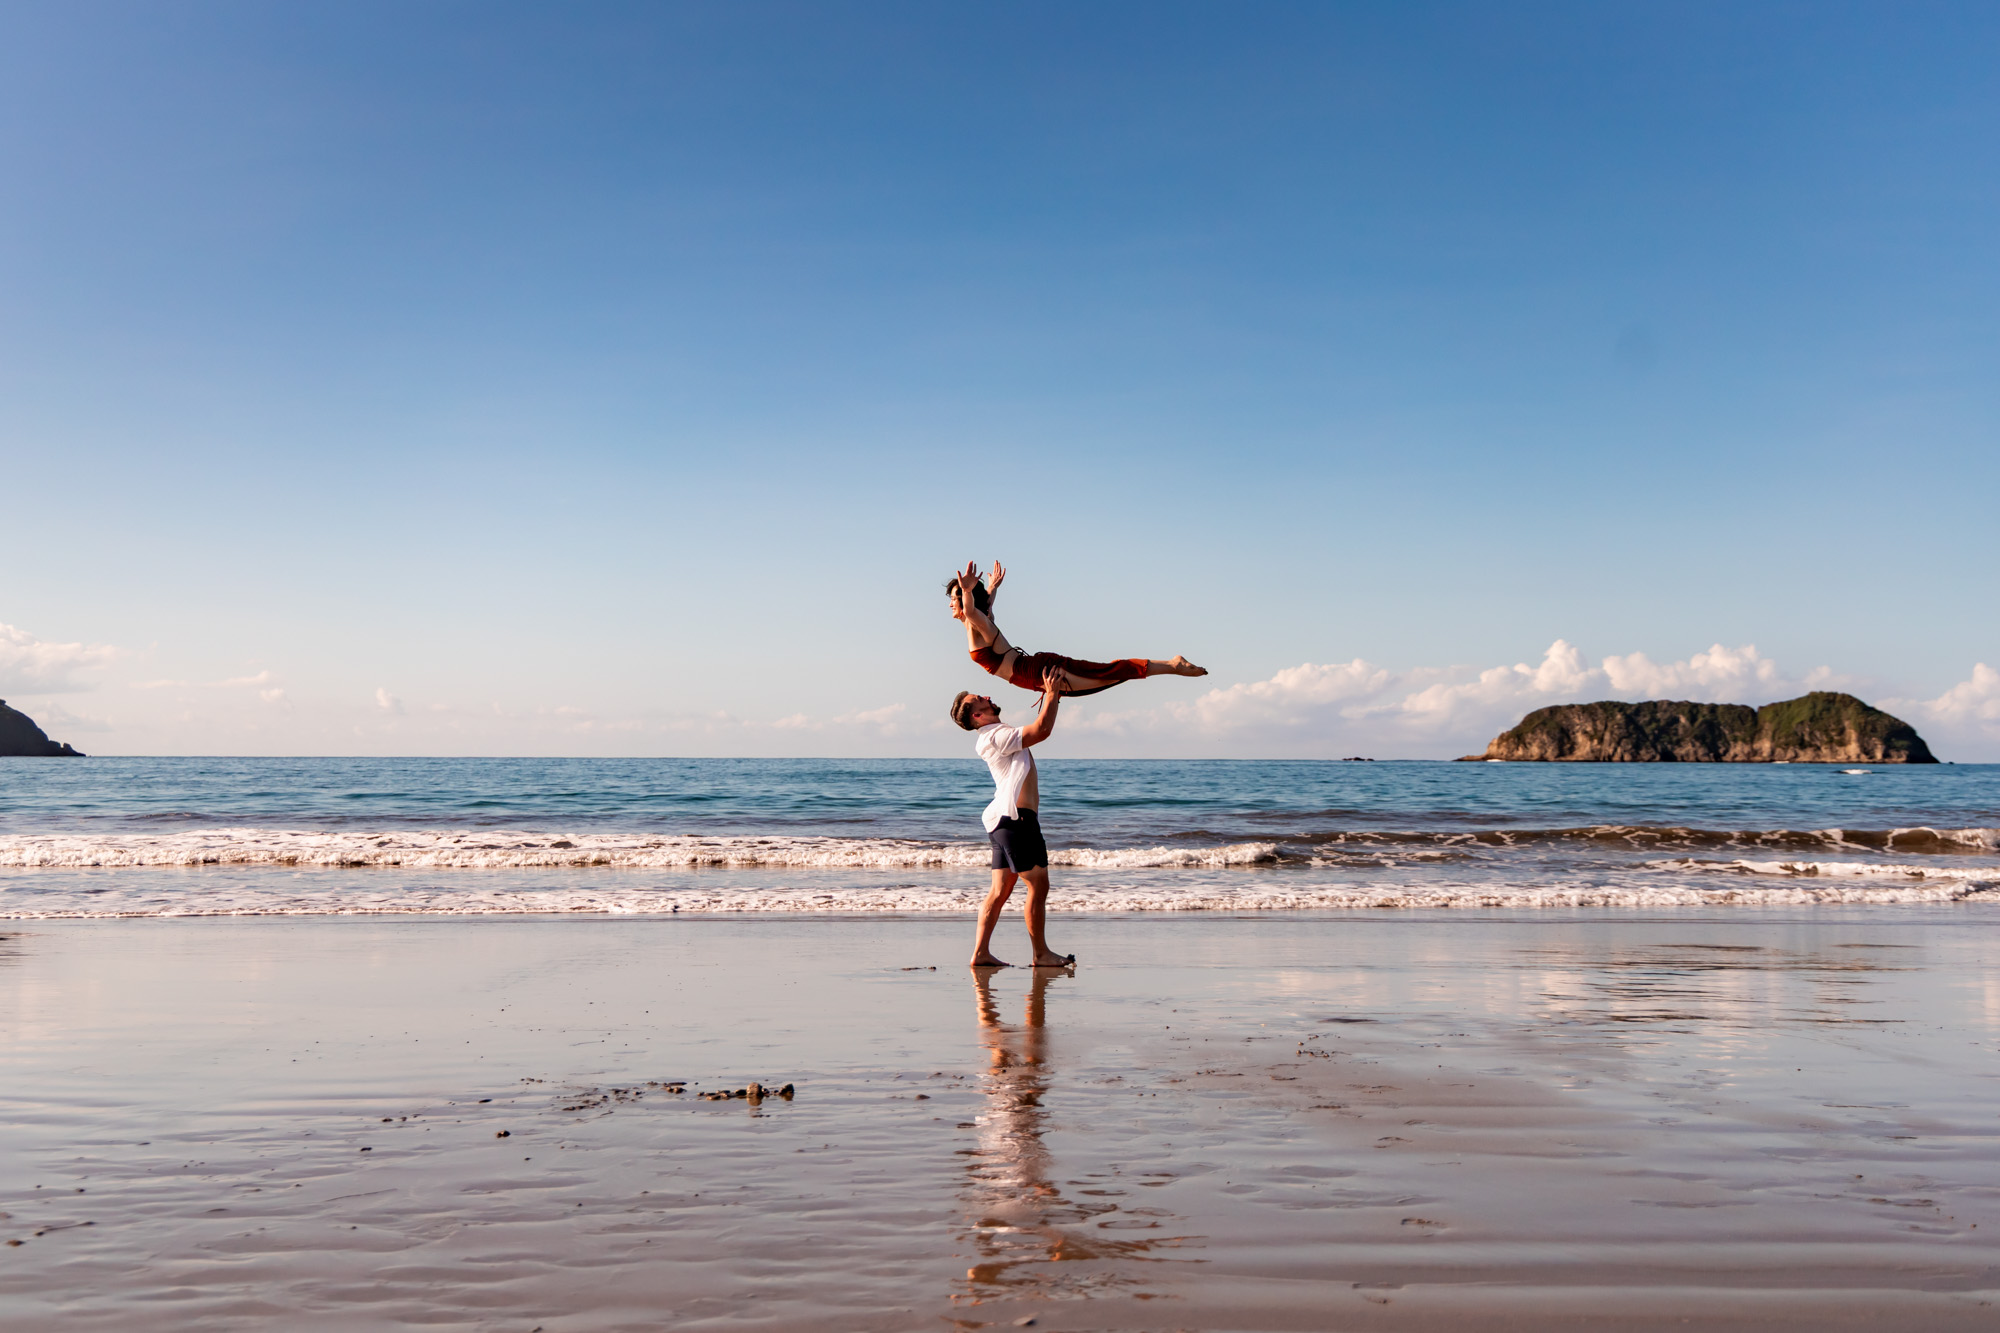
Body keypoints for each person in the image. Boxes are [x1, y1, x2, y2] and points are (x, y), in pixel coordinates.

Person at [952, 669, 1076, 969]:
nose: (986, 697)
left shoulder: (993, 735)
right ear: (977, 717)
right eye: (979, 700)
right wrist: (1051, 693)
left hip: (1002, 821)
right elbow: (1041, 730)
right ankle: (1041, 954)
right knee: (1038, 886)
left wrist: (1050, 696)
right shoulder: (997, 735)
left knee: (999, 891)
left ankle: (981, 953)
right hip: (1016, 821)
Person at [947, 562, 1206, 697]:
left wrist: (968, 590)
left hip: (1039, 672)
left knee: (1107, 674)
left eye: (954, 597)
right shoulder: (984, 619)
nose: (950, 604)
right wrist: (991, 588)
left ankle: (1173, 666)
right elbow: (985, 605)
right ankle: (1172, 666)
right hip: (1034, 674)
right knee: (1105, 678)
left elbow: (973, 610)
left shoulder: (976, 623)